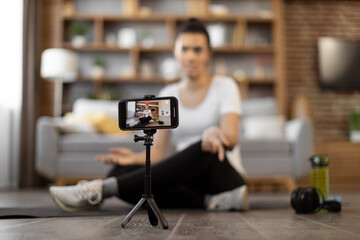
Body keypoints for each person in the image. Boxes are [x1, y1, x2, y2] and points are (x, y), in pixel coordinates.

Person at [49, 18, 249, 212]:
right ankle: (211, 202)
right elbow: (158, 154)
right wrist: (135, 159)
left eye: (197, 50)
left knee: (205, 148)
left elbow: (231, 140)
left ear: (208, 54)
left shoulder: (225, 86)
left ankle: (99, 189)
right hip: (186, 179)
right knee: (119, 174)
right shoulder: (167, 94)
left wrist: (215, 134)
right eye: (184, 49)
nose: (190, 56)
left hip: (222, 177)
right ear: (175, 53)